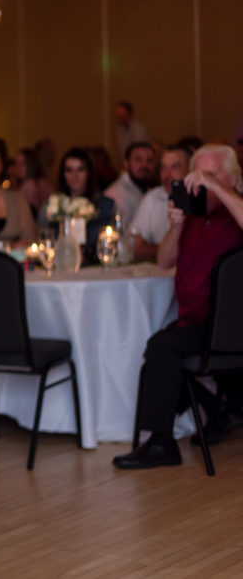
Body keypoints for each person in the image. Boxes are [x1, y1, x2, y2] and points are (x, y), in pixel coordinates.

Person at [113, 144, 243, 469]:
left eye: (210, 175)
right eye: (197, 176)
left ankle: (161, 442)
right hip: (194, 322)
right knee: (157, 356)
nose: (201, 184)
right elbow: (163, 260)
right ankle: (217, 409)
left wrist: (217, 187)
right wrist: (177, 226)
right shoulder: (193, 217)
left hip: (229, 326)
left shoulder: (235, 212)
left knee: (161, 348)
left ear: (233, 178)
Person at [40, 147, 117, 259]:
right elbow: (44, 238)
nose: (74, 176)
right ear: (63, 174)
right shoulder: (52, 205)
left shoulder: (105, 205)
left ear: (89, 172)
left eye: (80, 169)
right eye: (69, 170)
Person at [130, 145, 191, 262]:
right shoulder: (153, 197)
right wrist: (166, 251)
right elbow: (134, 245)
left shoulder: (204, 199)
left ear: (190, 169)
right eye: (163, 168)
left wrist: (151, 249)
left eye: (175, 167)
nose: (167, 174)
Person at [104, 140, 156, 225]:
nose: (144, 165)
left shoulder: (147, 187)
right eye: (139, 160)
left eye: (149, 160)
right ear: (126, 164)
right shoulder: (117, 194)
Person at [10, 147, 54, 219]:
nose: (18, 167)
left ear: (31, 163)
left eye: (22, 163)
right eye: (16, 163)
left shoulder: (29, 184)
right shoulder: (42, 181)